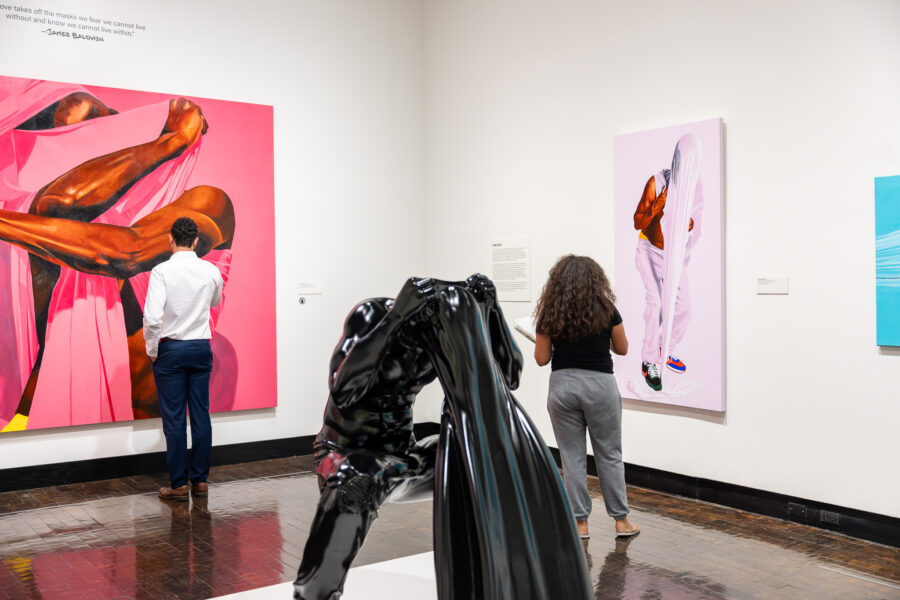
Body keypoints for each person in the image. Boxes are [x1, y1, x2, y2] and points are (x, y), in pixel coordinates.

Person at [295, 275, 591, 600]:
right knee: (356, 480)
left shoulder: (435, 337)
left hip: (402, 457)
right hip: (344, 453)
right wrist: (396, 318)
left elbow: (509, 378)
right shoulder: (372, 316)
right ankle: (315, 593)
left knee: (477, 453)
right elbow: (343, 390)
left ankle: (491, 575)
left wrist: (492, 313)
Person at [0, 81, 235, 432]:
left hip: (151, 431)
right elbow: (62, 203)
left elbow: (124, 251)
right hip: (34, 420)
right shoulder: (44, 229)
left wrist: (169, 142)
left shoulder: (208, 203)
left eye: (98, 129)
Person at [534, 254, 639, 538]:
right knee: (610, 454)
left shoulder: (550, 312)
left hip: (563, 387)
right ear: (596, 280)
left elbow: (542, 358)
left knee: (572, 457)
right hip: (600, 386)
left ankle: (580, 524)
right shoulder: (607, 309)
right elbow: (623, 348)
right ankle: (621, 522)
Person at [143, 217, 224, 501]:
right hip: (201, 347)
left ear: (170, 239)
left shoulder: (161, 271)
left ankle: (178, 485)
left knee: (175, 419)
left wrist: (152, 349)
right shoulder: (210, 270)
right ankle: (200, 481)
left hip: (172, 350)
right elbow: (214, 302)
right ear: (196, 241)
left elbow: (153, 318)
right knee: (201, 414)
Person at [631, 133, 703, 392]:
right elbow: (638, 221)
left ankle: (664, 349)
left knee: (683, 308)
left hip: (672, 252)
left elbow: (694, 222)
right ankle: (649, 362)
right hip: (649, 249)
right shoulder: (658, 181)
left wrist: (689, 226)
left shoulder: (693, 186)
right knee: (656, 303)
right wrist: (658, 205)